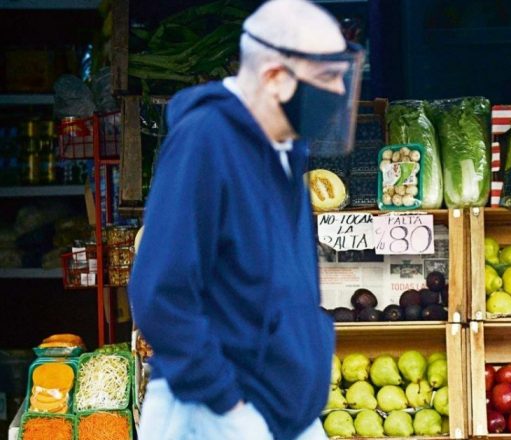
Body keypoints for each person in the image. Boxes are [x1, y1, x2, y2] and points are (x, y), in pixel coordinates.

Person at [129, 1, 363, 439]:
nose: (338, 92)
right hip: (215, 413)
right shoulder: (206, 138)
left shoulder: (285, 149)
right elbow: (161, 292)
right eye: (327, 78)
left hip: (277, 410)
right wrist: (228, 407)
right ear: (275, 77)